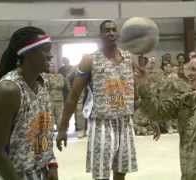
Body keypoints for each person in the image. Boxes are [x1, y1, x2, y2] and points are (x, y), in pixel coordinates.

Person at [56, 20, 139, 180]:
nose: (111, 33)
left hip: (125, 121)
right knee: (101, 173)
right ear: (100, 35)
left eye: (114, 30)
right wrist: (62, 128)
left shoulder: (129, 58)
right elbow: (73, 96)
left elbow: (134, 91)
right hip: (102, 123)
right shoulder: (90, 59)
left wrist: (153, 118)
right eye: (107, 30)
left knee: (121, 170)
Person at [0, 26, 58, 180]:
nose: (51, 56)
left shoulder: (43, 84)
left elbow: (44, 129)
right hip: (9, 174)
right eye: (46, 50)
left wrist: (51, 163)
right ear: (28, 52)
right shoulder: (9, 90)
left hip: (38, 171)